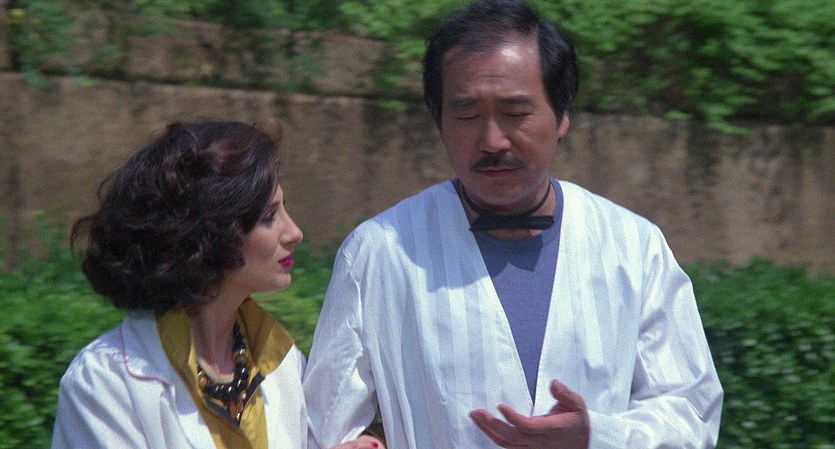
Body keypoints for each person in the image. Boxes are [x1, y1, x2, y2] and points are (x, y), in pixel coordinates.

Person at [302, 1, 723, 448]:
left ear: (562, 116)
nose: (492, 141)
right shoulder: (379, 253)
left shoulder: (634, 247)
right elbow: (325, 426)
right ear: (439, 122)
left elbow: (691, 415)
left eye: (516, 113)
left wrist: (597, 436)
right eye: (466, 116)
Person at [51, 121, 382, 449]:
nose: (294, 233)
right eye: (269, 217)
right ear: (209, 233)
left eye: (284, 209)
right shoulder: (103, 383)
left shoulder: (283, 364)